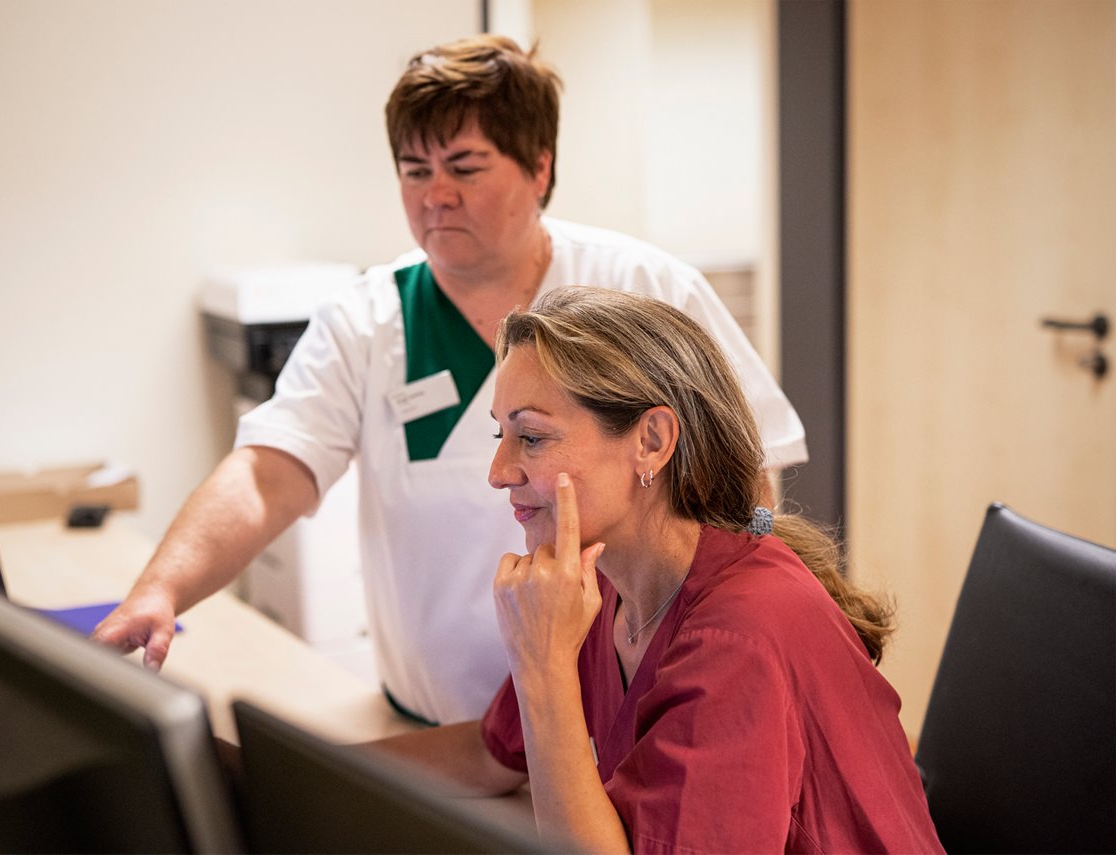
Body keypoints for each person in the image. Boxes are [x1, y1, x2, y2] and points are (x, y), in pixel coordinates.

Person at [91, 35, 808, 726]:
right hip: (439, 729)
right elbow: (268, 474)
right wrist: (161, 590)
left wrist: (730, 636)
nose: (435, 195)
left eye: (465, 168)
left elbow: (749, 483)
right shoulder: (368, 318)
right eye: (414, 169)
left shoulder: (644, 287)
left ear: (539, 169)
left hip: (625, 731)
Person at [368, 286, 943, 853]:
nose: (498, 471)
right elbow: (488, 758)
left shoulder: (737, 639)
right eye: (502, 434)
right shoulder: (601, 585)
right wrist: (290, 775)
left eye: (533, 437)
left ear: (651, 440)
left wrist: (542, 666)